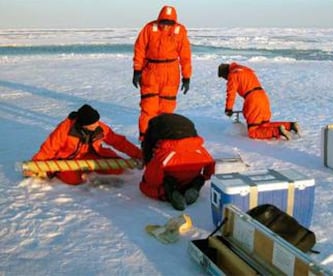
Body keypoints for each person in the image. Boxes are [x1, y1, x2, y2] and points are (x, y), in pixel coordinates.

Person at [31, 104, 143, 185]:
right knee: (74, 180)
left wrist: (139, 154)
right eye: (93, 124)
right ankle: (59, 171)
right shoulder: (65, 129)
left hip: (90, 156)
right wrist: (35, 166)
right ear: (83, 125)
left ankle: (86, 170)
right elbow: (49, 147)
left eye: (97, 122)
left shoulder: (99, 127)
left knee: (117, 170)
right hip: (67, 159)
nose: (97, 125)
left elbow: (119, 142)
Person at [132, 5, 192, 141]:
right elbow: (139, 49)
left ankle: (164, 140)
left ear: (174, 22)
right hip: (150, 72)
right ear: (159, 19)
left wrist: (186, 76)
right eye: (163, 22)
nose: (166, 26)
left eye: (169, 23)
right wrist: (137, 70)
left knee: (167, 110)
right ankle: (145, 141)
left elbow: (185, 55)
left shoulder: (180, 31)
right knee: (148, 109)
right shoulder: (148, 29)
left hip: (171, 73)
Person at [139, 113, 215, 211]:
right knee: (196, 178)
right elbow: (211, 164)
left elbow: (152, 177)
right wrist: (205, 176)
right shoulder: (200, 149)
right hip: (194, 168)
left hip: (171, 172)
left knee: (144, 186)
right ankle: (195, 184)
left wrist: (148, 164)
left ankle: (167, 193)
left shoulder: (164, 153)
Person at [218, 62, 300, 140]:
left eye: (224, 78)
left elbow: (231, 93)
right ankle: (290, 125)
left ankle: (277, 131)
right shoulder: (245, 70)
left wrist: (228, 109)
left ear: (226, 73)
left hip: (253, 99)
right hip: (263, 97)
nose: (226, 80)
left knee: (253, 131)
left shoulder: (233, 75)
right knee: (264, 125)